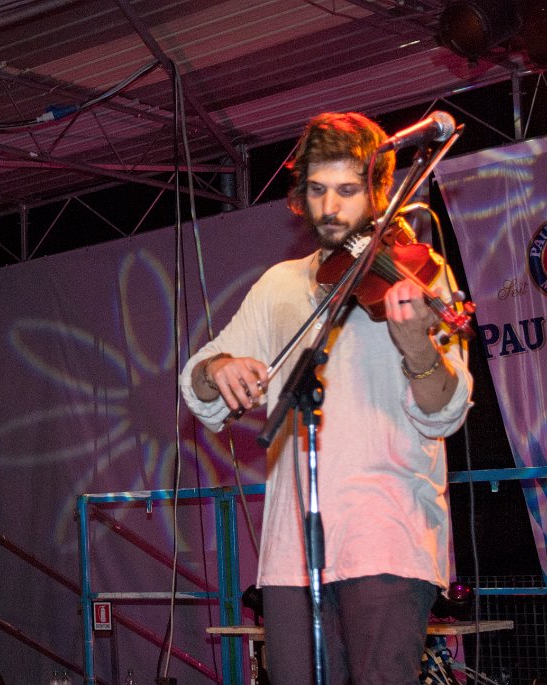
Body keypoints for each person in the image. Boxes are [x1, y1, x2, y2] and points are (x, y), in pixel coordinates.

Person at [179, 112, 473, 685]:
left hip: (386, 531)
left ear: (379, 192)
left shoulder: (419, 276)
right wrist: (220, 368)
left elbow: (446, 410)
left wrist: (419, 348)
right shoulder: (281, 284)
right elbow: (197, 379)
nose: (331, 208)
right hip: (291, 548)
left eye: (347, 190)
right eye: (317, 190)